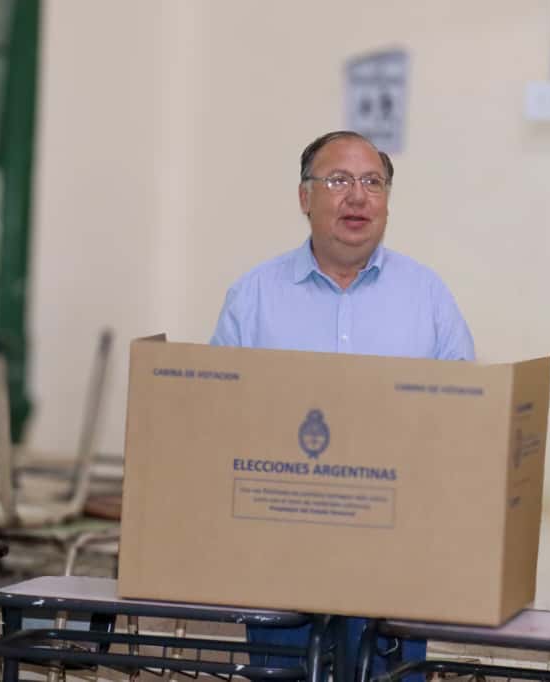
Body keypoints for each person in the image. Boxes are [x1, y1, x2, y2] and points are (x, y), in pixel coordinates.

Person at [211, 130, 476, 679]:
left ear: (387, 201)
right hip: (278, 540)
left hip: (396, 542)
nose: (357, 196)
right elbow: (214, 418)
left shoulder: (427, 297)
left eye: (372, 182)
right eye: (338, 180)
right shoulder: (254, 296)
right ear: (304, 197)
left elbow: (465, 419)